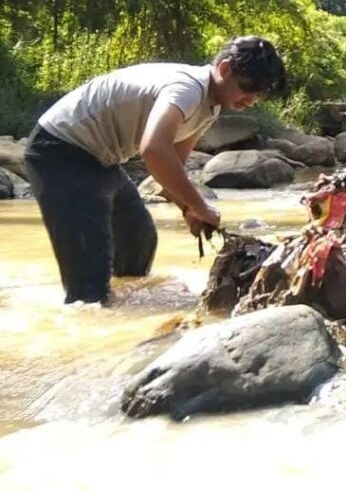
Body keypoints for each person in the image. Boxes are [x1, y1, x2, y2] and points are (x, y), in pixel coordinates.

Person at [23, 36, 287, 305]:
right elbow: (154, 150)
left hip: (99, 159)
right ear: (225, 69)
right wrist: (200, 205)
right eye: (248, 87)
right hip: (59, 151)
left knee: (138, 241)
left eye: (260, 93)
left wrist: (189, 209)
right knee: (89, 283)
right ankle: (90, 310)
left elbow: (173, 163)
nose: (251, 100)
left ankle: (123, 308)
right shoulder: (188, 89)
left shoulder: (210, 106)